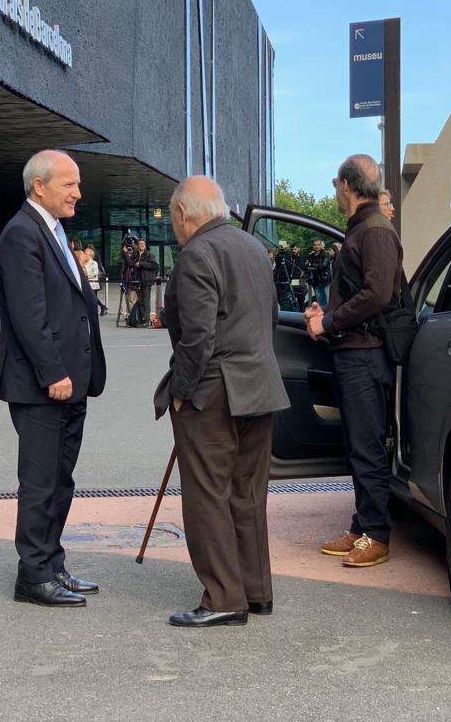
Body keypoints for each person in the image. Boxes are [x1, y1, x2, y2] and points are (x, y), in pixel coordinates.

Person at [154, 176, 289, 628]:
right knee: (247, 494)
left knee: (207, 495)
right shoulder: (252, 247)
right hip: (260, 386)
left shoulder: (196, 254)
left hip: (213, 391)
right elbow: (268, 319)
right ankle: (255, 590)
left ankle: (224, 598)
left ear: (183, 213)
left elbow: (197, 339)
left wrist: (180, 392)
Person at [0, 149, 106, 608]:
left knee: (62, 479)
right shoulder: (22, 233)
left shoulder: (55, 230)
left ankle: (52, 563)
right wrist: (53, 371)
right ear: (39, 185)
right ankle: (33, 575)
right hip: (45, 384)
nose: (78, 192)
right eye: (69, 184)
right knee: (40, 482)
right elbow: (28, 314)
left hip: (70, 382)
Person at [305, 154, 403, 568]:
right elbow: (362, 291)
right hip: (354, 353)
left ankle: (376, 534)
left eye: (335, 183)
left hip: (365, 354)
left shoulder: (375, 230)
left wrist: (327, 321)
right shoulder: (364, 228)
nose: (335, 189)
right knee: (358, 446)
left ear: (346, 184)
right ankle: (362, 527)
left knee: (366, 446)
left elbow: (377, 295)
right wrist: (323, 313)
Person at [133, 238, 158, 317]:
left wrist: (141, 264)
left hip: (147, 281)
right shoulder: (135, 254)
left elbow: (154, 265)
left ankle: (146, 319)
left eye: (143, 244)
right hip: (137, 281)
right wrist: (126, 253)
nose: (142, 245)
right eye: (140, 244)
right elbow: (129, 263)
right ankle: (141, 317)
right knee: (140, 301)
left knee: (146, 300)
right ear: (137, 245)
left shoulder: (150, 255)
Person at [305, 238, 332, 308]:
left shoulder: (325, 254)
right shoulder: (311, 255)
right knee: (321, 303)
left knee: (329, 301)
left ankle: (330, 317)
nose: (316, 246)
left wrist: (312, 266)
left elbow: (323, 266)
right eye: (315, 245)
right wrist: (313, 267)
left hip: (326, 281)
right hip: (316, 282)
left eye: (318, 245)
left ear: (321, 245)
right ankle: (322, 317)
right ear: (312, 246)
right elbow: (306, 266)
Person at [83, 244, 107, 316]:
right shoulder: (84, 261)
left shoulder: (95, 261)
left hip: (93, 282)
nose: (85, 254)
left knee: (93, 298)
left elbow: (95, 271)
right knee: (92, 298)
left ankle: (99, 308)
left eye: (87, 252)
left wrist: (86, 274)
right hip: (86, 282)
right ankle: (102, 307)